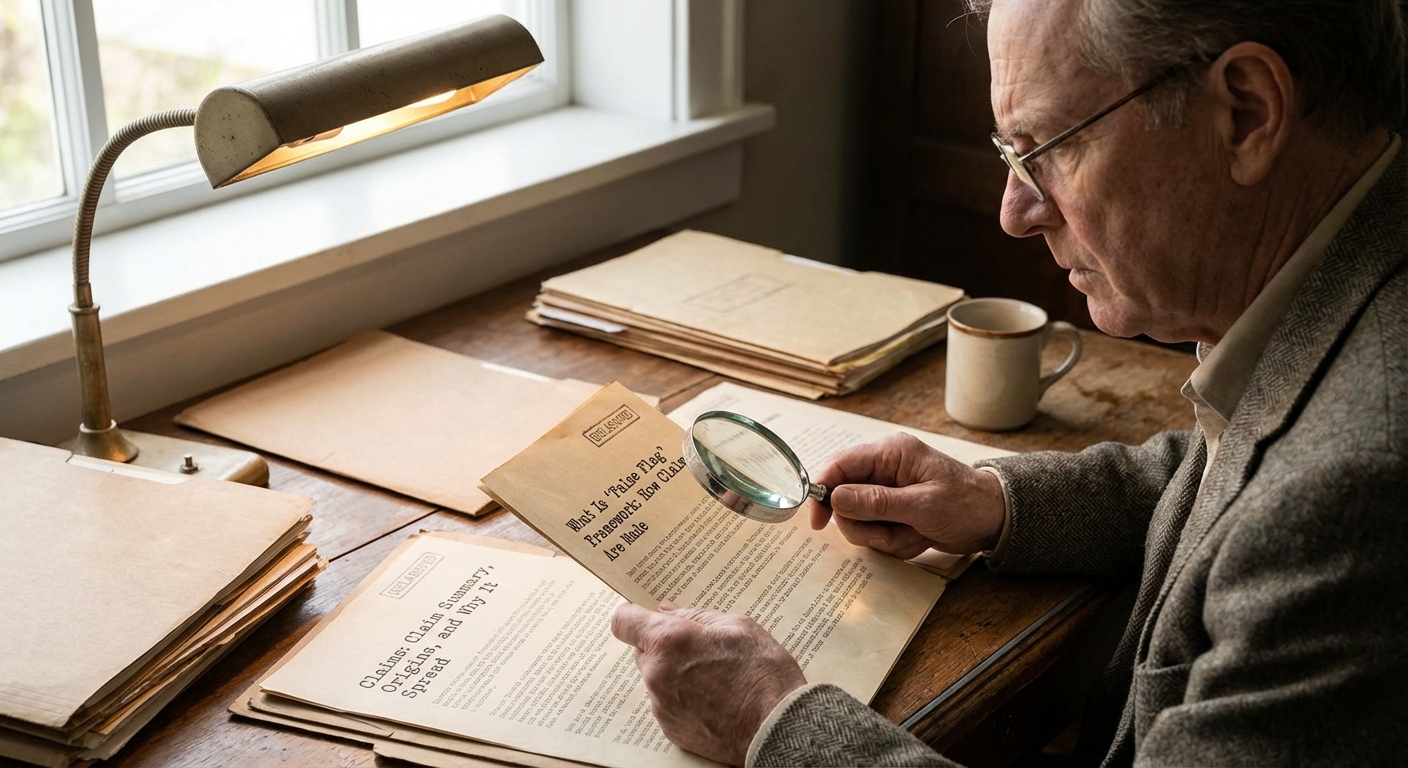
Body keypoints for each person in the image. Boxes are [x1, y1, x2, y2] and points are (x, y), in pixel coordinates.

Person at [612, 0, 1408, 765]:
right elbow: (1236, 474)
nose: (1015, 212)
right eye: (1008, 155)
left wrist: (772, 726)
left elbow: (1291, 502)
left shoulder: (1352, 497)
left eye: (1043, 149)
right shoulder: (1349, 285)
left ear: (1245, 113)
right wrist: (996, 503)